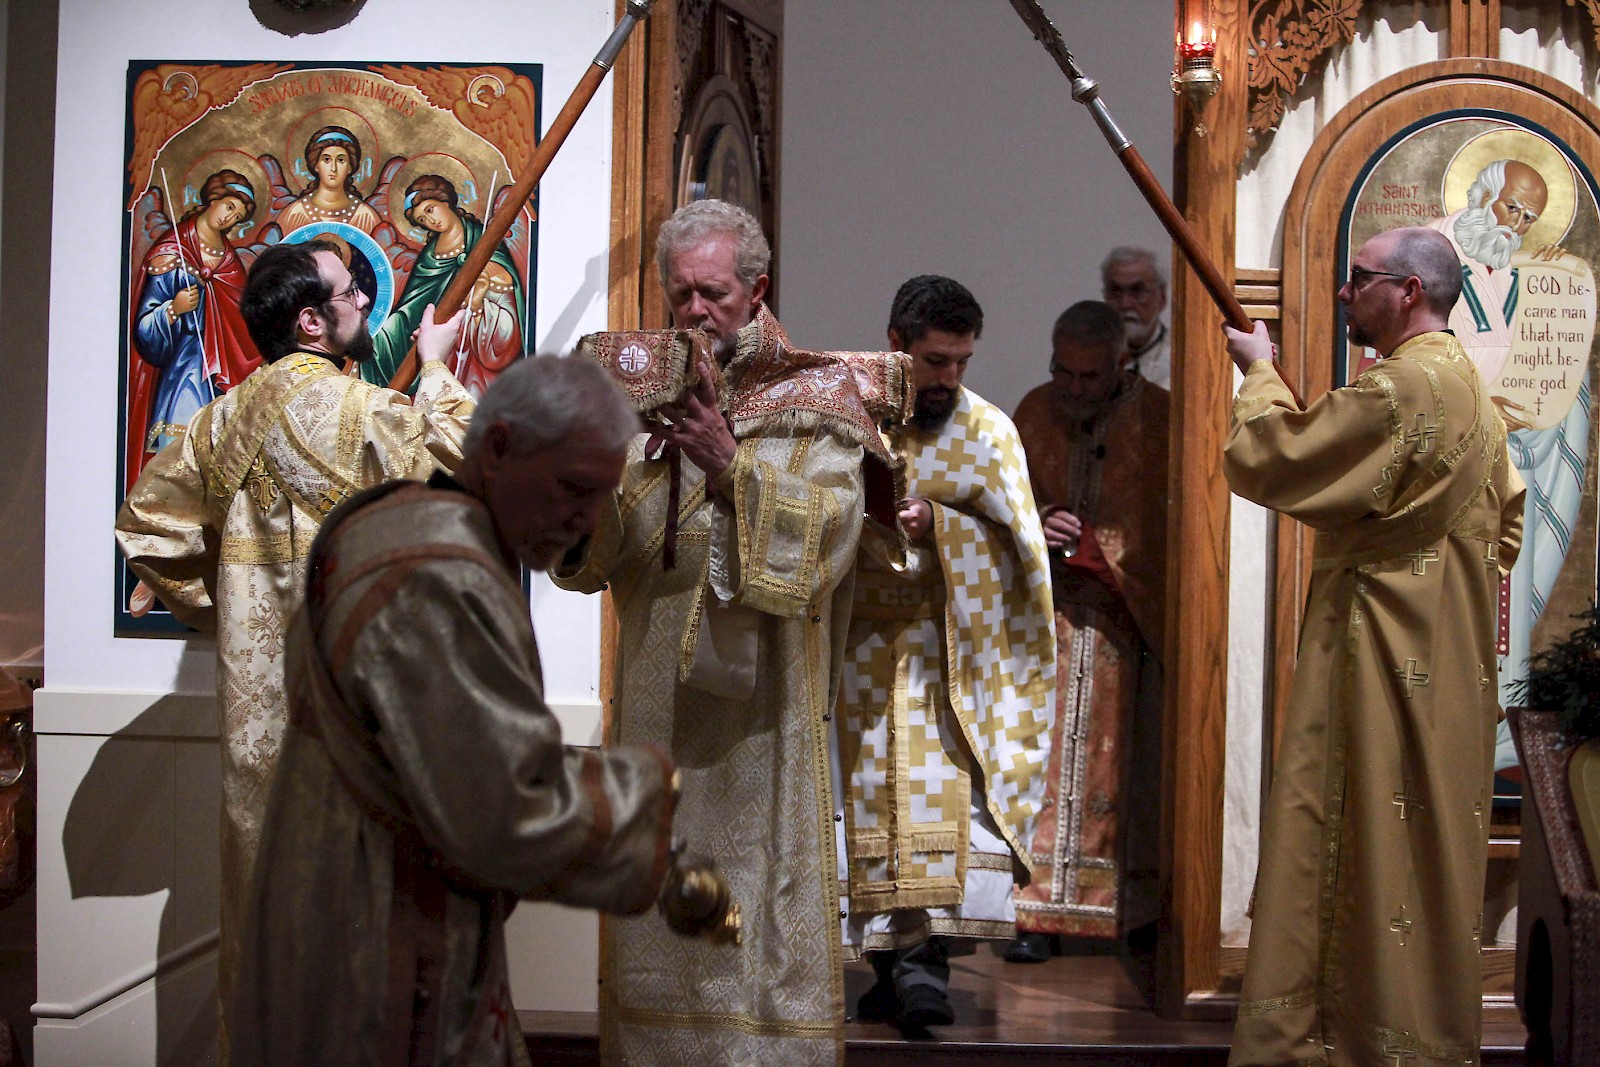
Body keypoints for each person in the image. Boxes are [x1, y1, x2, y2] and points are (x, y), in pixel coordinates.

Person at [230, 355, 677, 1066]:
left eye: (600, 498)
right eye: (573, 488)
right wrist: (646, 796)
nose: (587, 521)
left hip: (324, 901)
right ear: (497, 447)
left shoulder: (395, 521)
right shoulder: (440, 575)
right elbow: (501, 806)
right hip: (381, 949)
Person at [554, 199, 896, 1064]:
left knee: (757, 904)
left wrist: (729, 465)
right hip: (658, 709)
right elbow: (594, 560)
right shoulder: (639, 400)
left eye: (712, 292)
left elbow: (829, 540)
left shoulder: (819, 399)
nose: (696, 311)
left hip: (763, 722)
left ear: (757, 288)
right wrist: (582, 475)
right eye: (681, 294)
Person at [115, 239, 475, 1054]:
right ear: (312, 321)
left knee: (266, 913)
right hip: (355, 720)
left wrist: (227, 612)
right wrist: (435, 367)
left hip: (258, 730)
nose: (366, 303)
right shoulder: (365, 411)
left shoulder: (220, 420)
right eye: (350, 293)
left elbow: (146, 526)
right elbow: (471, 459)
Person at [1221, 225, 1524, 1067]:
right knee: (1418, 860)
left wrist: (1257, 371)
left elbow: (1276, 455)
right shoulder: (1470, 389)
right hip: (1447, 665)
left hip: (1379, 655)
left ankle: (1325, 1042)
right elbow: (1505, 530)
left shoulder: (1401, 387)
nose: (1345, 291)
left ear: (1409, 291)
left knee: (1354, 837)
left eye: (1359, 278)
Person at [835, 275, 1054, 1027]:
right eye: (935, 361)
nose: (949, 378)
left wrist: (942, 524)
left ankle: (923, 967)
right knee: (865, 810)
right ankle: (886, 967)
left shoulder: (990, 431)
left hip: (947, 658)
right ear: (895, 344)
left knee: (939, 813)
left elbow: (1022, 552)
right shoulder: (848, 419)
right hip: (856, 653)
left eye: (961, 361)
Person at [1005, 300, 1169, 961]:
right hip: (1046, 620)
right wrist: (1039, 519)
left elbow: (1169, 526)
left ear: (1121, 363)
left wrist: (1107, 552)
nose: (1072, 389)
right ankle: (1036, 911)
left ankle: (1130, 910)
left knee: (1128, 767)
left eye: (1089, 376)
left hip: (1127, 626)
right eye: (1063, 372)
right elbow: (1003, 500)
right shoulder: (1032, 411)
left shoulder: (1159, 420)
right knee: (1038, 761)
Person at [1427, 159, 1590, 771]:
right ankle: (1440, 733)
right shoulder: (1430, 255)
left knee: (1507, 598)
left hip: (1507, 470)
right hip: (1443, 475)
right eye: (1511, 207)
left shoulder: (1512, 268)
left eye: (1528, 216)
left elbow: (1540, 364)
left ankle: (1494, 737)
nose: (1516, 224)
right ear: (1482, 194)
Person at [128, 169, 262, 489]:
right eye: (228, 206)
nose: (229, 218)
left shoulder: (229, 262)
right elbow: (144, 329)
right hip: (182, 369)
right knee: (180, 456)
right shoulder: (170, 252)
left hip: (220, 373)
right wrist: (173, 309)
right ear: (213, 200)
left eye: (237, 217)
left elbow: (240, 325)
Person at [367, 173, 524, 394]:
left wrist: (480, 298)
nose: (430, 221)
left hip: (477, 334)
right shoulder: (429, 257)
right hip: (439, 341)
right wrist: (389, 329)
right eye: (422, 220)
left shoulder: (483, 239)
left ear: (445, 201)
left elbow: (506, 282)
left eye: (430, 210)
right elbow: (413, 305)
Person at [273, 125, 382, 235]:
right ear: (316, 165)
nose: (333, 168)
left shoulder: (366, 216)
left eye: (341, 160)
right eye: (326, 159)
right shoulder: (294, 214)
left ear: (350, 167)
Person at [1102, 245, 1170, 389]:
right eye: (1115, 290)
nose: (1125, 303)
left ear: (1162, 298)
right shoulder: (1092, 358)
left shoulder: (1182, 360)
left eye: (1137, 290)